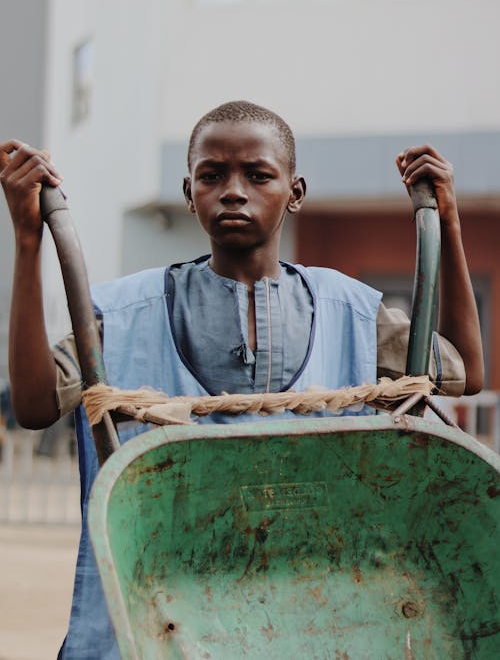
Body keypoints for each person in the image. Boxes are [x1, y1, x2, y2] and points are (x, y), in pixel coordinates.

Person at [0, 101, 484, 658]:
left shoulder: (347, 310)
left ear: (295, 193)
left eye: (257, 175)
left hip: (314, 615)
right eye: (212, 176)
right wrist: (28, 240)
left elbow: (463, 372)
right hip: (162, 619)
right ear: (189, 193)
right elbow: (35, 406)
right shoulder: (126, 313)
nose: (234, 191)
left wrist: (447, 222)